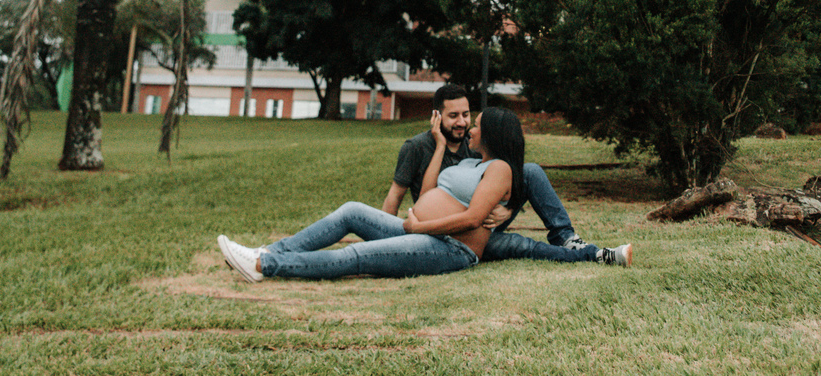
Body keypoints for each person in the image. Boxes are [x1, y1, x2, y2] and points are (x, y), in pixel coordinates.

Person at [218, 107, 631, 281]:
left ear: (493, 133)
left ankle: (266, 266)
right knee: (350, 212)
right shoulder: (468, 164)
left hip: (450, 247)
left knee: (357, 257)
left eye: (477, 124)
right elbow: (429, 190)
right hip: (422, 230)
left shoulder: (501, 169)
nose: (470, 128)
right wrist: (437, 147)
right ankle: (273, 250)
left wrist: (423, 223)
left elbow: (471, 221)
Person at [383, 83, 593, 260]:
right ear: (436, 116)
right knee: (515, 244)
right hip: (445, 229)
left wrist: (509, 208)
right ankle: (589, 256)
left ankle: (566, 238)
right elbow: (395, 194)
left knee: (530, 171)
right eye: (453, 116)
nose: (462, 122)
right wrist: (387, 239)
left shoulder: (474, 145)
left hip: (480, 221)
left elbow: (502, 181)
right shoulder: (416, 147)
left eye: (466, 115)